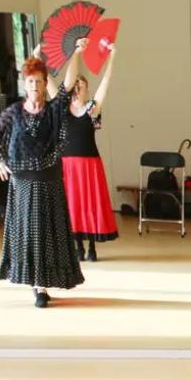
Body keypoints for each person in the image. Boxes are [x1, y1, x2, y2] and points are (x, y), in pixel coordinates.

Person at [0, 50, 87, 307]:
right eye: (30, 81)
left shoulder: (53, 110)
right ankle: (37, 285)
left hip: (49, 181)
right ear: (24, 84)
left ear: (44, 82)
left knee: (46, 235)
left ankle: (41, 285)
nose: (35, 86)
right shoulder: (14, 112)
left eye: (39, 81)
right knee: (29, 234)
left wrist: (77, 53)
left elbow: (67, 85)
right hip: (22, 184)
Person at [58, 41, 120, 262]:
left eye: (81, 85)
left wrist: (112, 57)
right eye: (75, 84)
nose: (78, 88)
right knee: (73, 205)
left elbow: (105, 84)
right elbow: (50, 83)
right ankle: (78, 246)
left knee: (90, 204)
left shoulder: (92, 108)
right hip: (68, 165)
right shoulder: (61, 109)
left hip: (89, 164)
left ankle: (92, 246)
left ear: (86, 89)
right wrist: (39, 58)